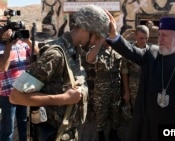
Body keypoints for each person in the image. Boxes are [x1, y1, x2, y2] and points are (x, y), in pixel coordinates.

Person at [9, 5, 110, 141]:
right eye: (96, 36)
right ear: (86, 29)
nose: (96, 41)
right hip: (52, 135)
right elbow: (16, 96)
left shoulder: (75, 51)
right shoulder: (56, 55)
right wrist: (64, 98)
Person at [0, 29, 39, 141]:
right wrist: (8, 44)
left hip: (22, 90)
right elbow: (3, 67)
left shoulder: (23, 44)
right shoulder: (2, 46)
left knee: (23, 124)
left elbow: (37, 51)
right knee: (8, 127)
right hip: (7, 93)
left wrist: (27, 40)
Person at [86, 39, 122, 141]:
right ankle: (101, 136)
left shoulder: (117, 48)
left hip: (116, 86)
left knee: (115, 111)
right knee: (101, 112)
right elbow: (89, 59)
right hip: (101, 89)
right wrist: (99, 43)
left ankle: (113, 134)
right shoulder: (97, 49)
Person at [121, 25, 149, 117]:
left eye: (146, 38)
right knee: (135, 114)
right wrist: (127, 92)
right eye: (141, 38)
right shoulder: (129, 51)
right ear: (135, 36)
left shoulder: (151, 51)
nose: (144, 41)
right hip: (133, 87)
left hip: (148, 87)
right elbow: (124, 72)